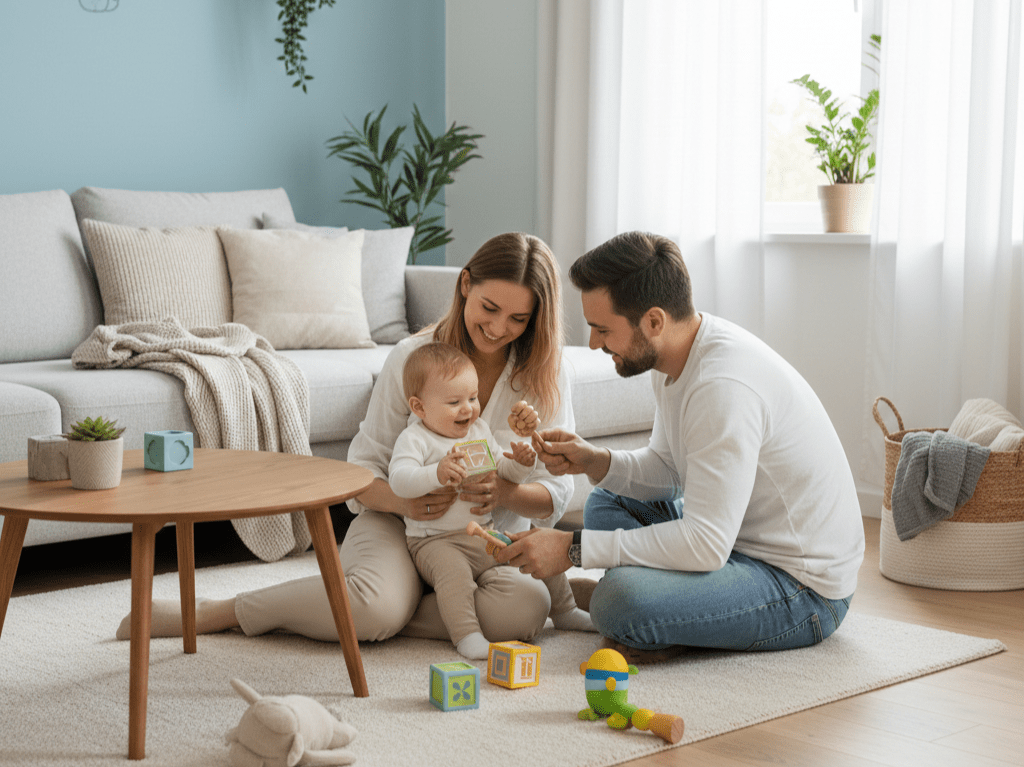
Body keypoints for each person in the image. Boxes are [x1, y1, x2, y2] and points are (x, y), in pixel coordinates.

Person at [117, 232, 582, 646]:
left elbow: (557, 490)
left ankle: (393, 606)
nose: (499, 328)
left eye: (518, 318)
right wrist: (408, 504)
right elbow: (362, 469)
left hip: (482, 541)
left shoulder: (545, 376)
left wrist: (505, 492)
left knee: (524, 610)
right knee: (375, 608)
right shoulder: (413, 358)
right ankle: (222, 612)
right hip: (396, 523)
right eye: (490, 308)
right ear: (465, 286)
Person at [494, 231, 865, 662]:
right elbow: (670, 472)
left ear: (654, 321)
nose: (593, 343)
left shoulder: (721, 387)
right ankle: (674, 611)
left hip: (801, 588)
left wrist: (572, 548)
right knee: (607, 500)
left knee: (618, 602)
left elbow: (706, 543)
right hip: (734, 545)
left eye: (602, 329)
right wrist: (595, 461)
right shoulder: (677, 354)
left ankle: (654, 612)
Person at [391, 341, 592, 659]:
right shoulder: (415, 439)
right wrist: (436, 473)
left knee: (532, 546)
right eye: (454, 402)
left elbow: (502, 470)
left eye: (472, 398)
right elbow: (399, 480)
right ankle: (467, 636)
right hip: (435, 541)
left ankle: (565, 610)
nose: (468, 409)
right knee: (455, 577)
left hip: (483, 533)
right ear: (419, 407)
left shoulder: (478, 431)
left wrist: (521, 464)